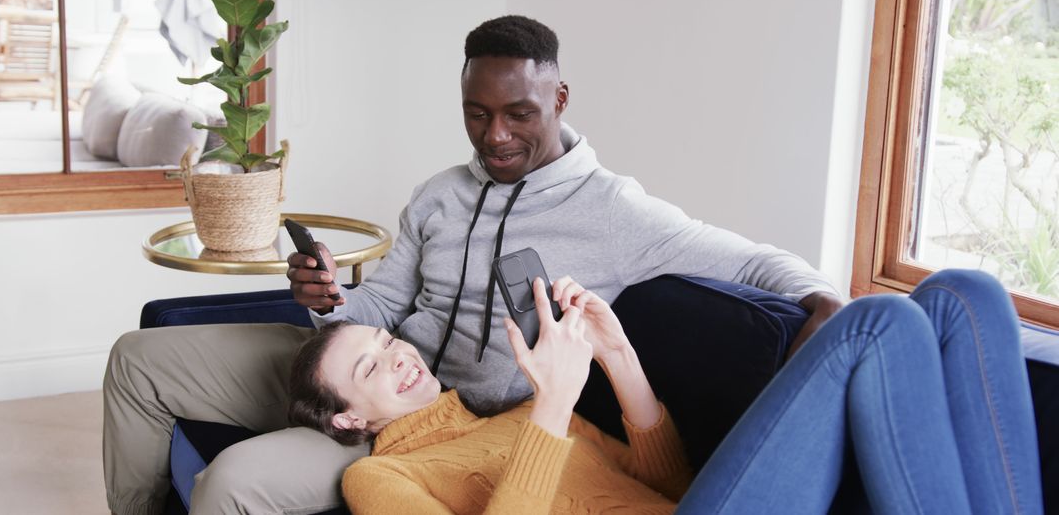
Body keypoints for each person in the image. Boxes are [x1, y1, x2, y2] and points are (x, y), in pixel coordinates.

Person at [103, 15, 843, 515]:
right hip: (376, 369)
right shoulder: (439, 195)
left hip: (439, 426)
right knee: (138, 361)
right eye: (476, 113)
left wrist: (824, 304)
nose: (494, 136)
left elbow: (759, 264)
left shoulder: (615, 212)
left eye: (519, 113)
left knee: (233, 482)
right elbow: (381, 307)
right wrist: (330, 301)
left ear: (559, 98)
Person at [291, 269, 1042, 515]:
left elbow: (675, 484)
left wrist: (618, 358)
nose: (397, 360)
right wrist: (554, 404)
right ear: (351, 417)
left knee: (964, 295)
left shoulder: (520, 410)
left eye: (387, 342)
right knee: (875, 323)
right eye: (369, 370)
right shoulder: (376, 476)